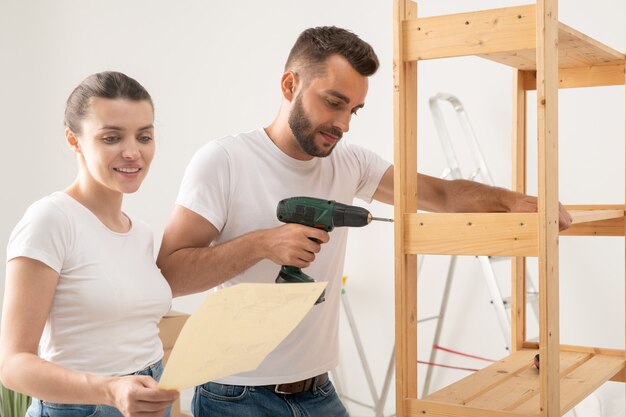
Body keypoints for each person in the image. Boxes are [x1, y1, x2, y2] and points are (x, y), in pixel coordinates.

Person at [156, 27, 572, 417]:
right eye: (334, 102)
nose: (344, 124)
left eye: (354, 110)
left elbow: (441, 195)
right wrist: (262, 244)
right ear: (290, 86)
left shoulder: (350, 162)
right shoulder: (224, 161)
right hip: (237, 395)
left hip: (318, 391)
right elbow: (170, 275)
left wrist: (520, 202)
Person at [0, 71, 180, 417]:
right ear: (74, 140)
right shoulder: (50, 220)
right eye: (111, 138)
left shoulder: (140, 232)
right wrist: (110, 390)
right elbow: (13, 366)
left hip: (149, 398)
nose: (133, 152)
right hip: (84, 408)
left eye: (144, 137)